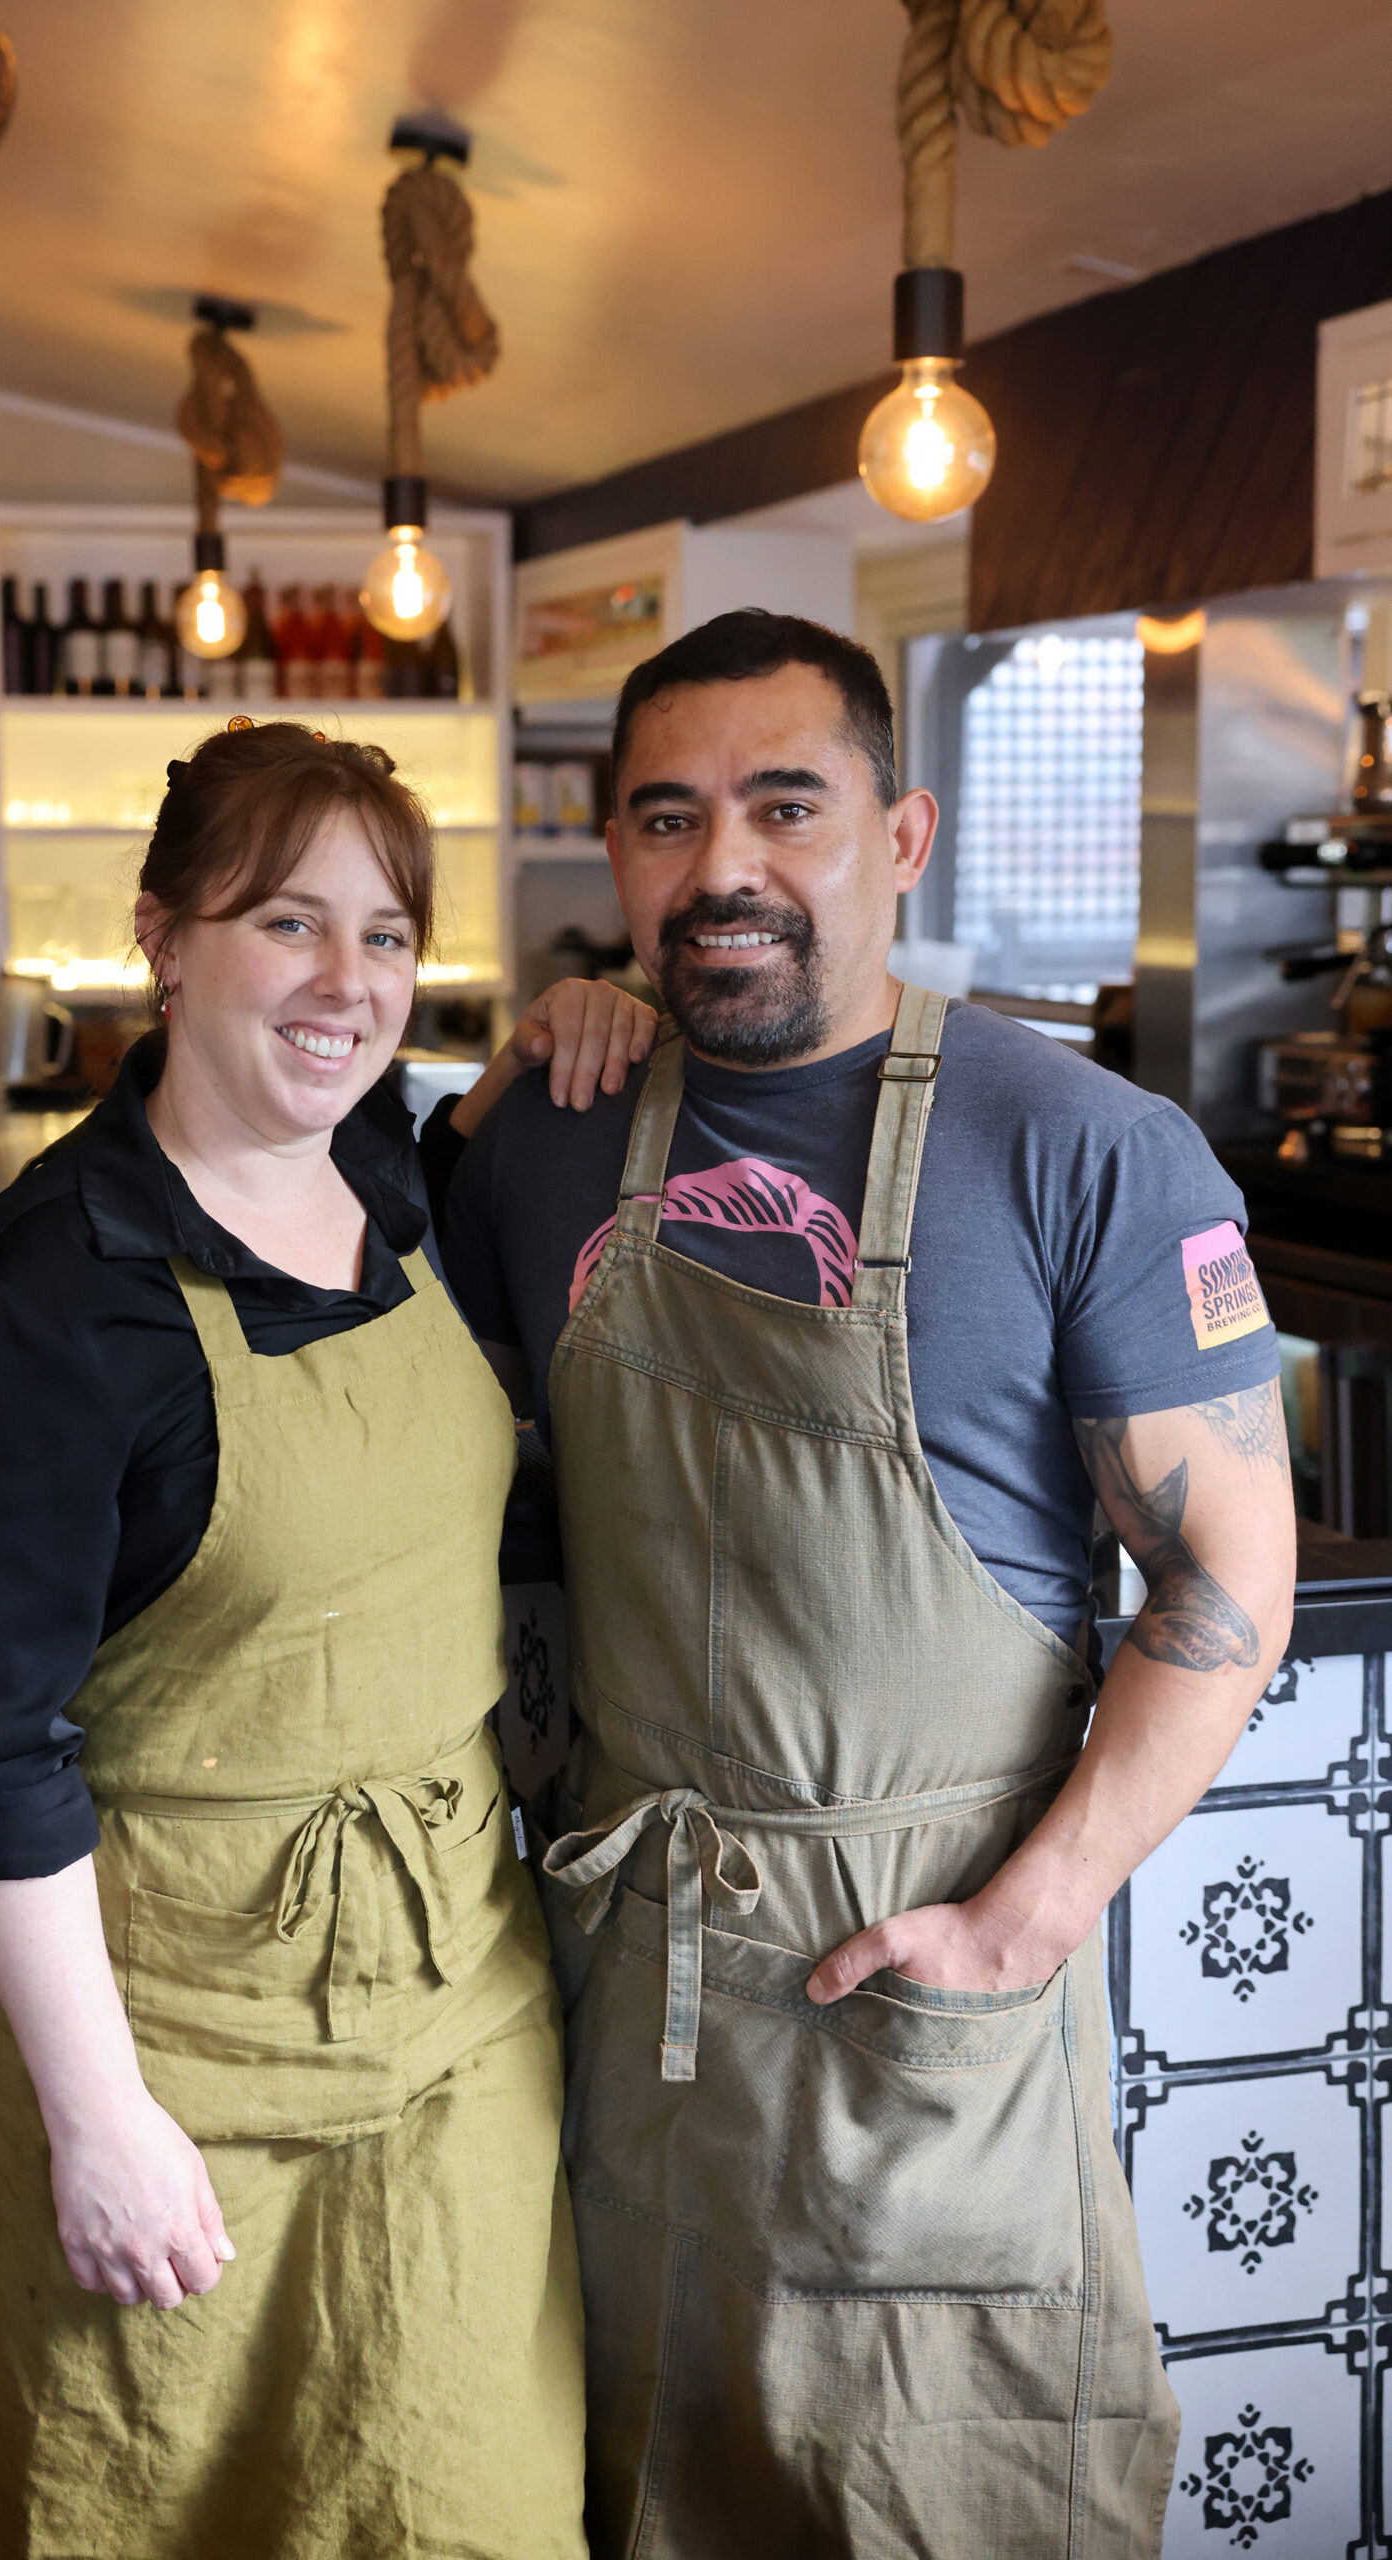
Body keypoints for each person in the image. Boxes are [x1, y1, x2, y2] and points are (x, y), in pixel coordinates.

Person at [436, 612, 1297, 2557]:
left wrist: (1023, 1918)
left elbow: (1220, 1561)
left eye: (782, 804)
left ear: (897, 837)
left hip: (926, 2004)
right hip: (634, 1995)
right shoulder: (543, 1143)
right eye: (666, 817)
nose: (720, 861)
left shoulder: (1083, 1145)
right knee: (637, 2489)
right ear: (613, 858)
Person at [0, 719, 652, 2560]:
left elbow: (487, 1099)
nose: (347, 984)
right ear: (161, 937)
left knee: (469, 2491)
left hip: (455, 1980)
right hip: (168, 2027)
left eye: (387, 935)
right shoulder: (41, 1303)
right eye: (286, 923)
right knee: (150, 2499)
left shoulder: (392, 1178)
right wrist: (98, 2119)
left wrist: (568, 1017)